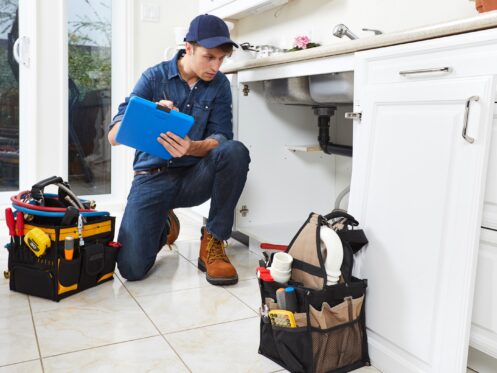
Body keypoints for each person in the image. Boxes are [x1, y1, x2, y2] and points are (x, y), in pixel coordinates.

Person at [108, 14, 250, 285]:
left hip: (193, 176)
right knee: (131, 269)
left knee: (235, 151)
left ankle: (214, 240)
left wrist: (192, 147)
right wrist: (150, 114)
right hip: (151, 177)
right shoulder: (153, 77)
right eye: (209, 57)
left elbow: (222, 136)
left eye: (222, 59)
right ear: (188, 48)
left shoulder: (219, 85)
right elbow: (113, 137)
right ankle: (164, 224)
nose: (216, 66)